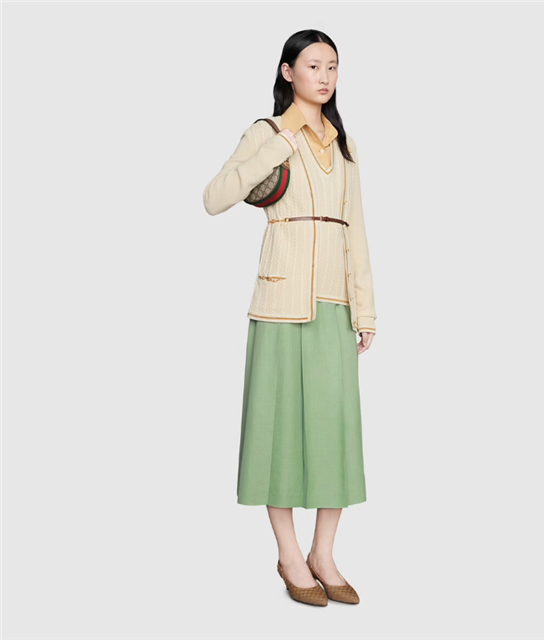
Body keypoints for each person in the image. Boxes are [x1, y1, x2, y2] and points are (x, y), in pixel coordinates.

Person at [202, 29, 377, 606]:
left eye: (333, 67)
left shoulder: (345, 145)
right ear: (287, 72)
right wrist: (284, 138)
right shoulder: (268, 132)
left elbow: (356, 230)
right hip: (279, 303)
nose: (325, 77)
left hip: (335, 303)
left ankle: (324, 554)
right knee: (277, 430)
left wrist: (365, 308)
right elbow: (215, 197)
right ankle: (289, 554)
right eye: (313, 66)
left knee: (335, 430)